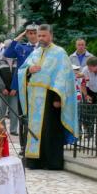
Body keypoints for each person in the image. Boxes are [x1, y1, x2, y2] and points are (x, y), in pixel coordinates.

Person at [18, 24, 78, 170]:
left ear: (51, 35)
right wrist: (29, 70)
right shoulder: (35, 52)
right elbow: (22, 71)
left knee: (50, 130)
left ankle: (52, 162)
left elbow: (64, 77)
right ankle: (34, 161)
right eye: (39, 36)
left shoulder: (59, 53)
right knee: (34, 131)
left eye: (44, 35)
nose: (41, 38)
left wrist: (58, 99)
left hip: (51, 98)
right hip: (34, 99)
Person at [4, 20, 40, 148]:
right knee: (23, 116)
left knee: (38, 117)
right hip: (24, 87)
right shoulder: (22, 47)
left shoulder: (44, 48)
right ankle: (24, 146)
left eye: (34, 32)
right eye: (29, 33)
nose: (32, 35)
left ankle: (37, 145)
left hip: (40, 88)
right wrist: (19, 37)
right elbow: (7, 53)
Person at [0, 39, 19, 135]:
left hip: (14, 91)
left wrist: (15, 88)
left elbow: (19, 74)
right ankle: (1, 129)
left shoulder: (18, 60)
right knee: (1, 111)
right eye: (6, 47)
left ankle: (13, 130)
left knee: (15, 111)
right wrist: (2, 88)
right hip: (3, 90)